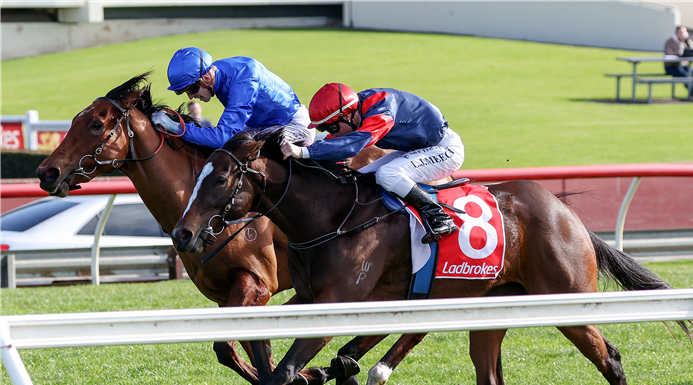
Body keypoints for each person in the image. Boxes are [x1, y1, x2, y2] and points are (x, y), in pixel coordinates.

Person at [281, 83, 464, 244]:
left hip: (444, 149)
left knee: (387, 174)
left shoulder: (381, 113)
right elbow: (335, 144)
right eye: (325, 129)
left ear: (348, 115)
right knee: (360, 176)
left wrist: (305, 152)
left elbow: (353, 144)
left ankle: (439, 216)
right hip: (415, 149)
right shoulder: (356, 108)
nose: (331, 133)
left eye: (332, 127)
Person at [152, 47, 315, 147]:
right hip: (263, 126)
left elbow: (222, 137)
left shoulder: (243, 81)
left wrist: (177, 128)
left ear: (207, 78)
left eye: (192, 88)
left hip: (294, 125)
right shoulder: (217, 72)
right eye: (184, 92)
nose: (191, 96)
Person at [664, 26, 693, 103]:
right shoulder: (670, 42)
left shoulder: (686, 42)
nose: (683, 34)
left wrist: (687, 42)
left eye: (685, 32)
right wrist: (679, 54)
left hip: (683, 66)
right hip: (672, 66)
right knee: (686, 76)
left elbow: (691, 50)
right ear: (677, 33)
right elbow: (668, 55)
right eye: (681, 32)